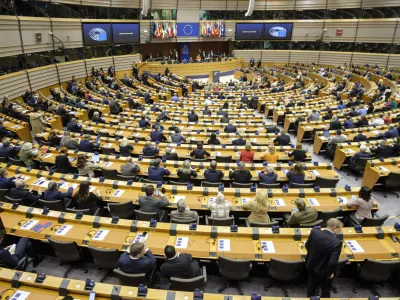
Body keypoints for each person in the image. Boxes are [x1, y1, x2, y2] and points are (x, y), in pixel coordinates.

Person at [305, 218, 343, 298]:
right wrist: (329, 274)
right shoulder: (337, 242)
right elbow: (332, 262)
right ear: (334, 228)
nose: (340, 231)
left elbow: (307, 246)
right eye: (340, 229)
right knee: (325, 290)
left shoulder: (314, 232)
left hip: (312, 264)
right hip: (324, 271)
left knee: (311, 286)